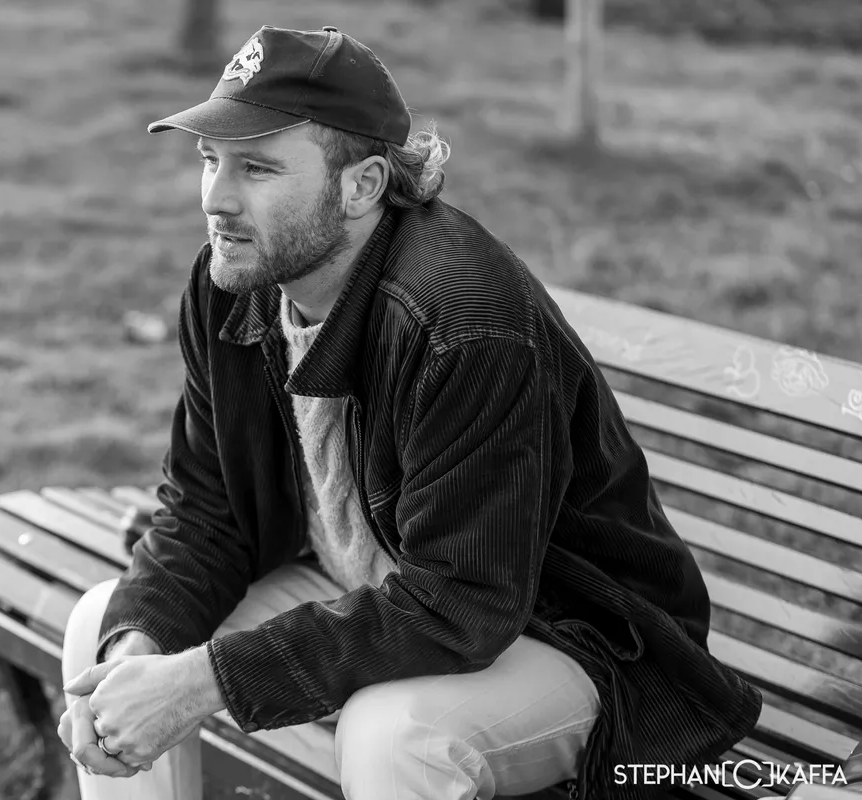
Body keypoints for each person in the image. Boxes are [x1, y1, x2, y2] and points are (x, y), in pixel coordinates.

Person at [57, 24, 762, 800]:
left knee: (397, 736)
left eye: (256, 167)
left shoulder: (462, 326)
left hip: (565, 635)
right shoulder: (234, 283)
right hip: (382, 597)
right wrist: (138, 658)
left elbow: (461, 602)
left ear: (362, 185)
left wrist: (203, 682)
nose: (216, 199)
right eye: (209, 159)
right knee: (106, 632)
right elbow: (206, 508)